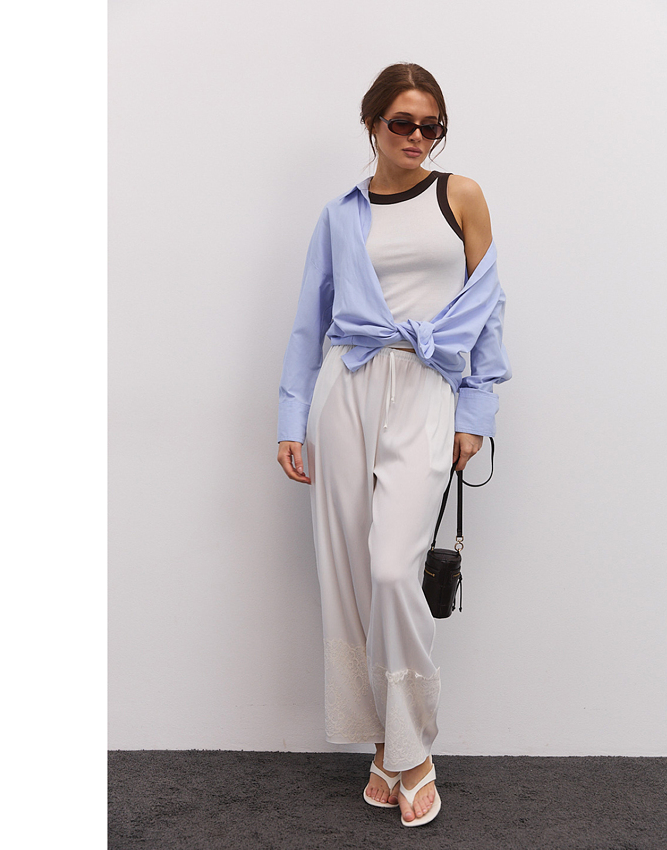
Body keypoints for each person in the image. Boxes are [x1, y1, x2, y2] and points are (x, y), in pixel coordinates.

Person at [276, 62, 511, 827]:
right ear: (373, 123)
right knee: (349, 579)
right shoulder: (339, 216)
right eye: (403, 123)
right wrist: (290, 418)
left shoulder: (460, 196)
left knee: (390, 569)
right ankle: (386, 746)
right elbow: (310, 321)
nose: (418, 136)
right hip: (346, 391)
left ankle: (412, 752)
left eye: (431, 125)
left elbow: (488, 308)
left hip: (426, 387)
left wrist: (476, 411)